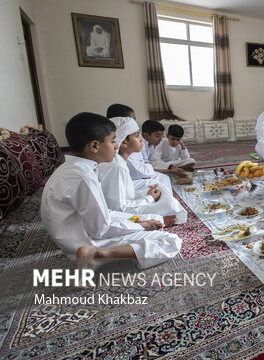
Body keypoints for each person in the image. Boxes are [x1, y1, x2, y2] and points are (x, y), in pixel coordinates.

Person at [40, 112, 182, 272]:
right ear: (94, 146)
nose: (116, 145)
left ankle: (100, 254)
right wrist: (142, 225)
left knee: (152, 219)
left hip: (78, 233)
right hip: (85, 240)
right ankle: (99, 256)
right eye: (113, 140)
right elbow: (102, 227)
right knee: (170, 240)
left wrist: (143, 221)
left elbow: (105, 213)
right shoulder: (85, 177)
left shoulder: (73, 168)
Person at [98, 117, 188, 225]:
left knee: (161, 189)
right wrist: (149, 198)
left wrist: (145, 194)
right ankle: (156, 219)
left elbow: (127, 195)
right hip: (122, 215)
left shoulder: (119, 162)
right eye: (136, 136)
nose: (141, 139)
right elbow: (119, 209)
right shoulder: (117, 166)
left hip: (130, 204)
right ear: (124, 143)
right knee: (170, 204)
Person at [105, 104, 176, 193]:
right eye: (132, 120)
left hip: (139, 175)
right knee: (162, 187)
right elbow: (139, 171)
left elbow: (144, 163)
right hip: (133, 180)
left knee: (163, 180)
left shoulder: (131, 144)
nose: (141, 139)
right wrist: (149, 198)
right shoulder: (124, 149)